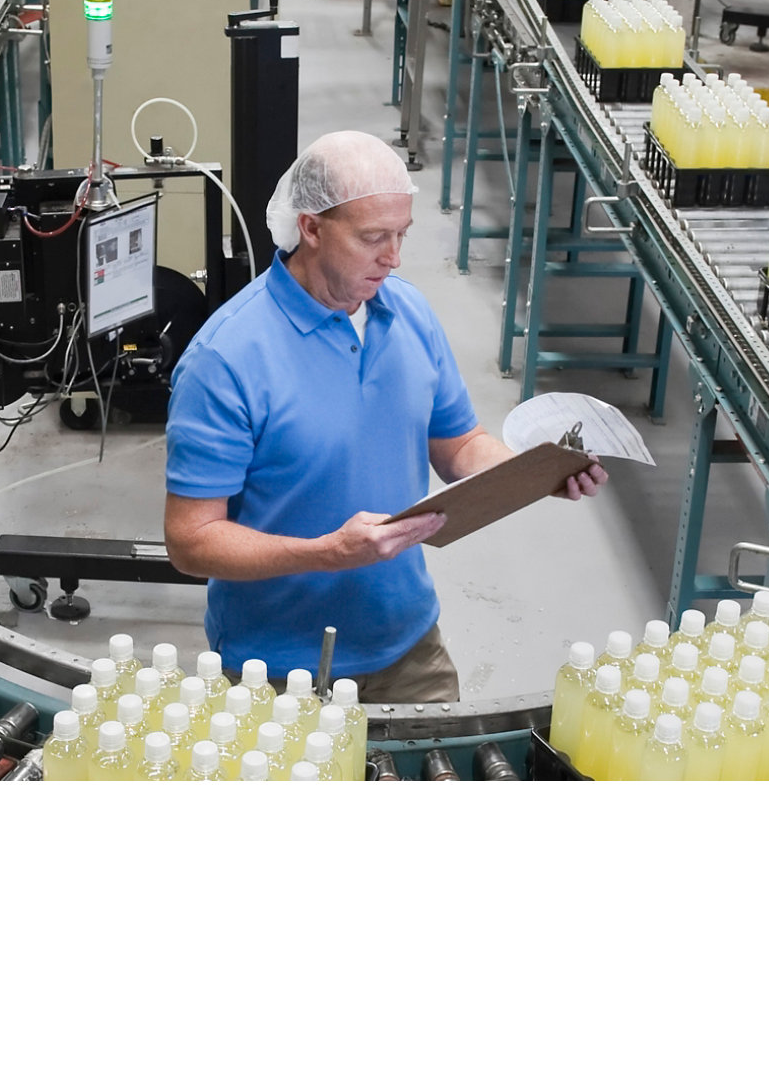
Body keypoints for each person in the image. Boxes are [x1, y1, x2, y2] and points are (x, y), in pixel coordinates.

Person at [163, 128, 607, 701]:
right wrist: (326, 553)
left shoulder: (410, 314)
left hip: (408, 647)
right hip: (277, 668)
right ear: (312, 228)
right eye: (373, 237)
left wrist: (534, 471)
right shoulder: (226, 358)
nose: (393, 259)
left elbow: (459, 442)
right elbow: (191, 540)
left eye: (402, 235)